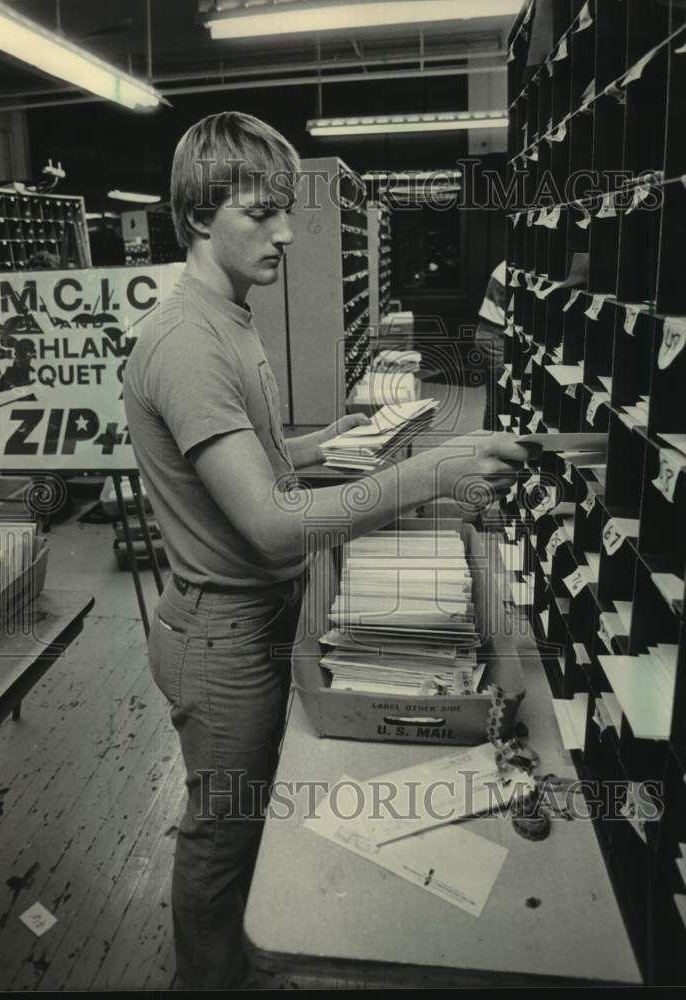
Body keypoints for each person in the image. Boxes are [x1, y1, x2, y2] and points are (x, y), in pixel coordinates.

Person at [122, 112, 528, 990]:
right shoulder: (188, 342)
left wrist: (317, 443)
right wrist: (431, 470)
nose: (283, 233)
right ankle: (208, 982)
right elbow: (269, 523)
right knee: (222, 833)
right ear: (197, 214)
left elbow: (245, 464)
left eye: (286, 212)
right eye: (258, 213)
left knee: (255, 809)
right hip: (220, 637)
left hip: (257, 616)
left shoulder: (227, 316)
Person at [475, 259, 507, 431]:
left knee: (494, 402)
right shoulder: (511, 268)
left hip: (488, 335)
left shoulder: (506, 265)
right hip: (494, 337)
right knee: (503, 401)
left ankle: (488, 446)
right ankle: (494, 447)